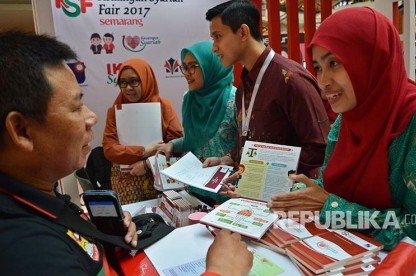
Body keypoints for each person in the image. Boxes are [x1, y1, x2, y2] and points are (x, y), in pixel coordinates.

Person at [0, 31, 252, 275]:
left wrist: (100, 236)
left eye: (192, 67)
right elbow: (111, 149)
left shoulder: (42, 203)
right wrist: (220, 272)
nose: (92, 117)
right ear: (22, 130)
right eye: (76, 107)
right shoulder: (29, 251)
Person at [267, 7, 416, 257]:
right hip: (341, 256)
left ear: (369, 58)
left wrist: (332, 208)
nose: (322, 81)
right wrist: (298, 193)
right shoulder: (349, 118)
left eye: (334, 63)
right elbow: (329, 186)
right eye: (318, 67)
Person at [204, 0, 329, 179]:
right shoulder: (243, 89)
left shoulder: (291, 79)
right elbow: (254, 141)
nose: (214, 47)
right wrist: (229, 159)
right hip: (251, 197)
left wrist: (267, 171)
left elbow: (319, 149)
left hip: (290, 199)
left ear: (243, 32)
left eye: (218, 36)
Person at [157, 40, 237, 206]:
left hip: (225, 194)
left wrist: (226, 158)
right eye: (184, 67)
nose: (187, 73)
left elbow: (247, 147)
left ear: (210, 65)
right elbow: (194, 140)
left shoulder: (234, 99)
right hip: (194, 192)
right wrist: (173, 144)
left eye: (193, 66)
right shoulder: (189, 98)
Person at [102, 58, 183, 205]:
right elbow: (109, 149)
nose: (128, 88)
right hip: (126, 180)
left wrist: (147, 163)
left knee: (164, 219)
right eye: (123, 82)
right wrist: (144, 151)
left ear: (146, 80)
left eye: (134, 81)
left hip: (159, 176)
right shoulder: (114, 110)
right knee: (134, 222)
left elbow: (177, 146)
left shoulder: (164, 107)